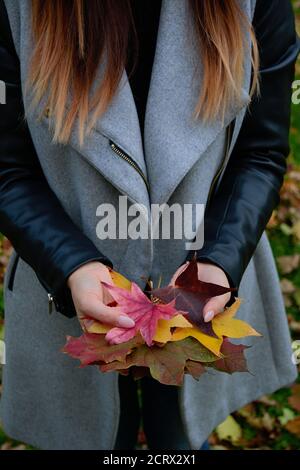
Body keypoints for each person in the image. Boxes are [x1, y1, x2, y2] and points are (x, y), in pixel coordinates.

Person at [0, 0, 299, 450]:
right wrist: (70, 265)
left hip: (199, 297)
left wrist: (218, 261)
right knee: (94, 439)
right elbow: (7, 168)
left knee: (179, 440)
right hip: (66, 292)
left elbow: (261, 152)